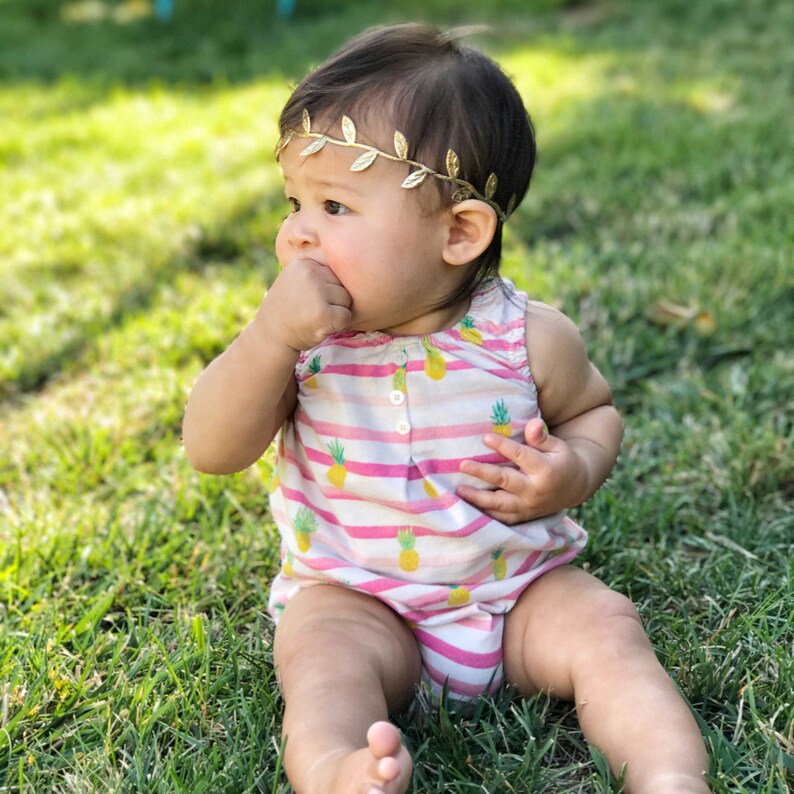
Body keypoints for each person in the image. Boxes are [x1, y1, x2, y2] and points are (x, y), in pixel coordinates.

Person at [182, 22, 710, 794]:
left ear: (460, 233)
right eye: (294, 201)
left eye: (334, 205)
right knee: (320, 657)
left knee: (606, 629)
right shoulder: (302, 343)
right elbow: (211, 447)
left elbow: (594, 415)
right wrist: (267, 338)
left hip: (517, 591)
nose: (295, 234)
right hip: (361, 600)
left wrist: (571, 469)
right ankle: (339, 769)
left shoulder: (526, 338)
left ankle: (667, 774)